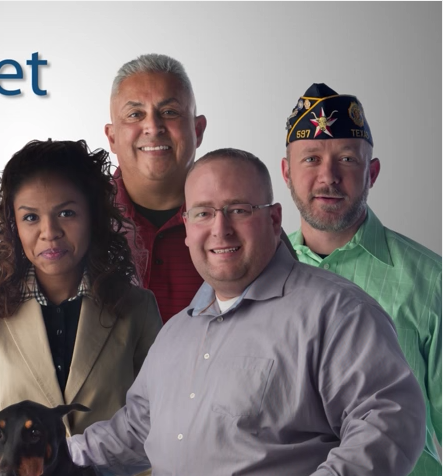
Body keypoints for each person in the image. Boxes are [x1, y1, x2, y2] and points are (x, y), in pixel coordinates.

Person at [68, 149, 426, 475]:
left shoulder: (337, 313)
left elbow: (388, 421)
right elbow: (134, 430)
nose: (220, 229)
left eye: (238, 210)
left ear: (273, 220)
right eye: (203, 213)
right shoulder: (175, 333)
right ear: (188, 230)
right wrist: (45, 456)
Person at [0, 140, 162, 476]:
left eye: (66, 213)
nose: (50, 233)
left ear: (93, 216)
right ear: (13, 226)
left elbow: (159, 424)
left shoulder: (138, 308)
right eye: (31, 217)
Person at [282, 83, 442, 475]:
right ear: (286, 172)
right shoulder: (257, 276)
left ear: (372, 172)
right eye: (311, 159)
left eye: (347, 159)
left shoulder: (432, 281)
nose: (328, 176)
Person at [106, 54, 296, 322]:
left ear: (198, 129)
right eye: (135, 114)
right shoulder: (82, 220)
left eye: (169, 112)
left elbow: (292, 316)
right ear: (112, 137)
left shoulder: (249, 221)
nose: (153, 126)